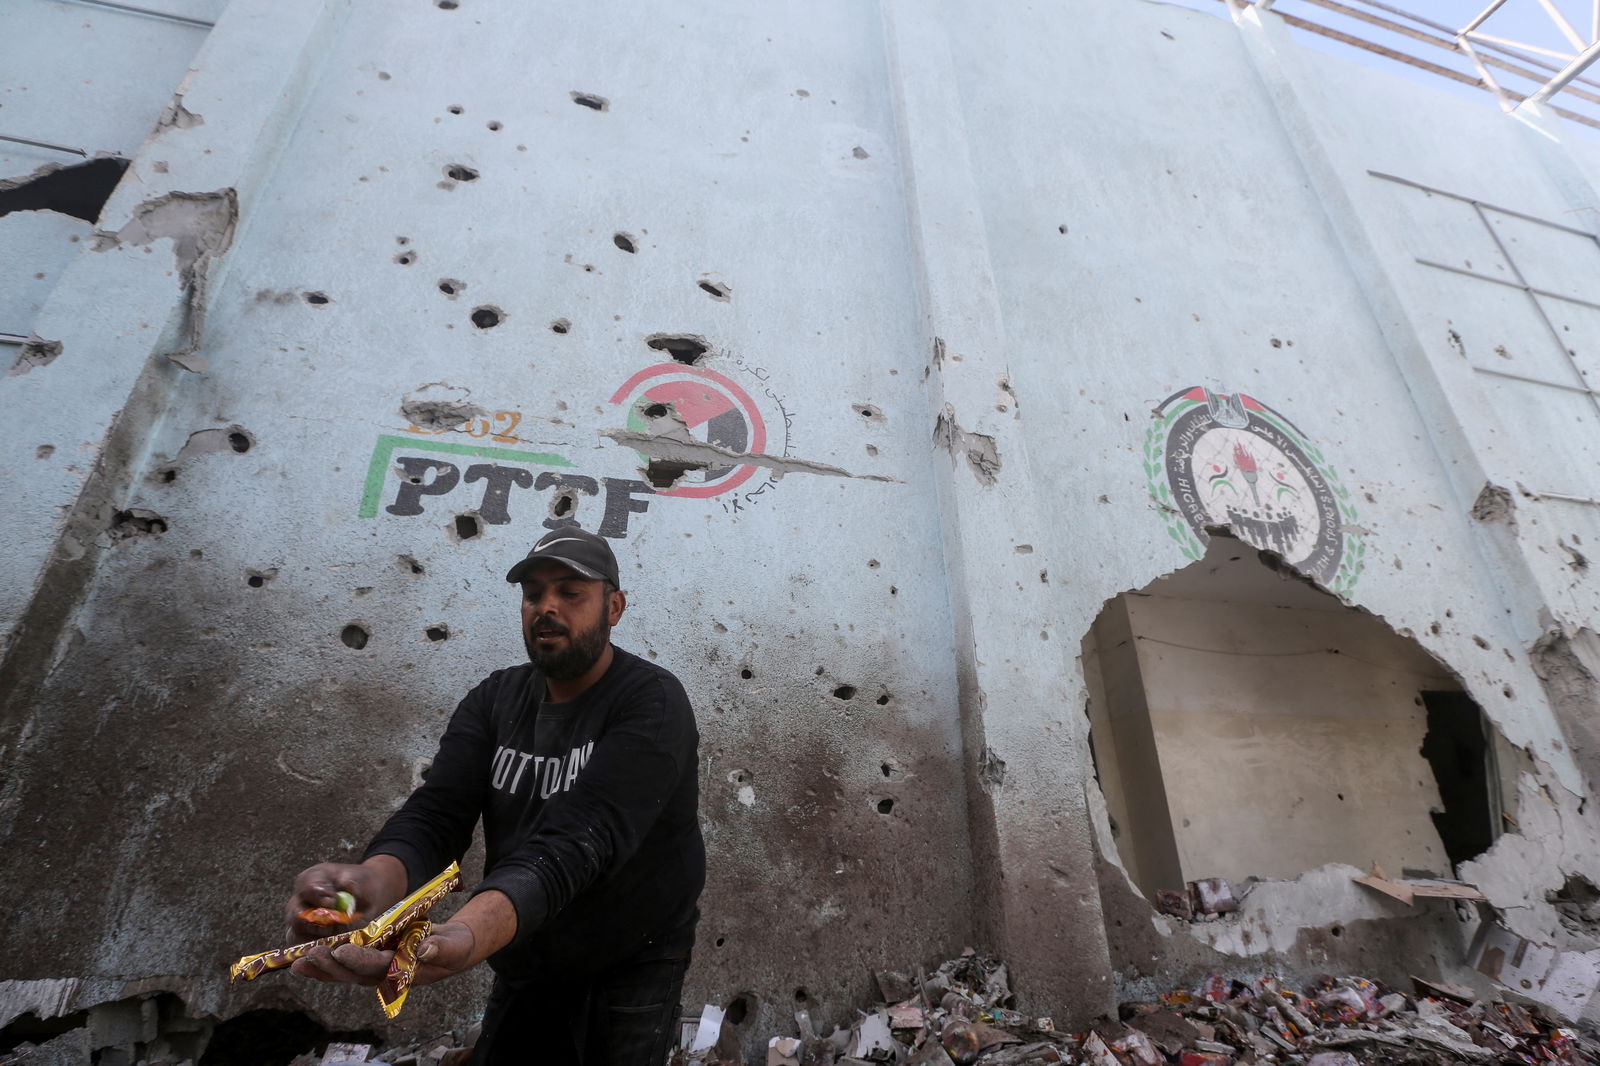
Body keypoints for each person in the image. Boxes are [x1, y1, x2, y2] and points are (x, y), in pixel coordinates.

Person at [283, 528, 705, 1066]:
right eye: (533, 593)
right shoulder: (495, 699)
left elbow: (580, 840)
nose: (546, 607)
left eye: (570, 592)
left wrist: (465, 936)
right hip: (526, 946)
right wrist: (368, 883)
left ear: (614, 607)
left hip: (631, 957)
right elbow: (438, 816)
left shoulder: (652, 701)